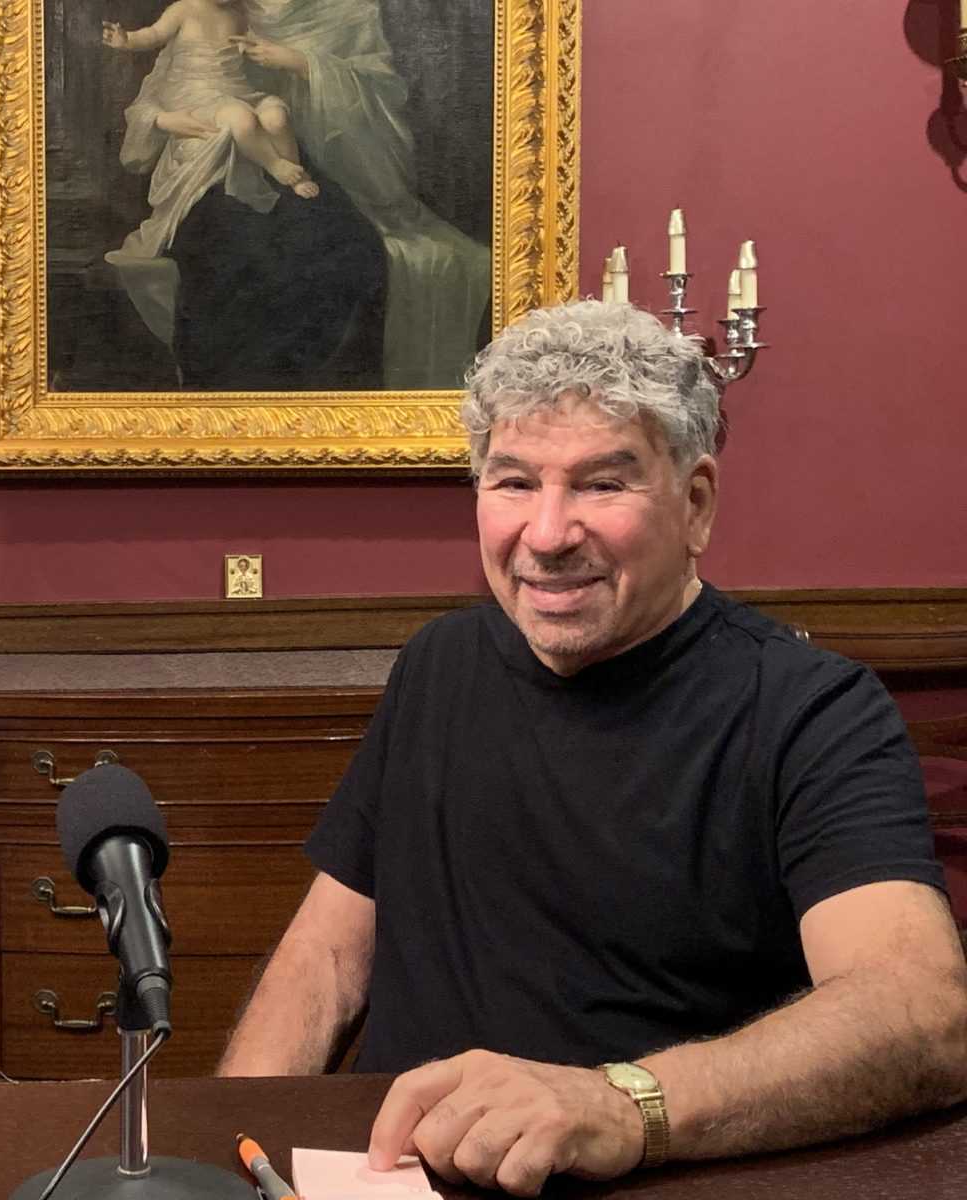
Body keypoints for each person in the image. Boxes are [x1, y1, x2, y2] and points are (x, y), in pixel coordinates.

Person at [217, 300, 967, 1195]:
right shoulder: (438, 664)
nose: (546, 535)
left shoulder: (812, 711)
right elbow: (329, 959)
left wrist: (621, 1107)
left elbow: (921, 1014)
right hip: (393, 1174)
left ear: (696, 504)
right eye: (513, 482)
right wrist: (232, 1144)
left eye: (602, 485)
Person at [107, 0, 490, 391]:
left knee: (351, 250)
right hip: (215, 165)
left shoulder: (346, 10)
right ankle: (232, 401)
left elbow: (381, 90)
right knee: (237, 259)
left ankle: (331, 405)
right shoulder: (216, 8)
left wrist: (301, 62)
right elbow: (167, 83)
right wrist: (163, 119)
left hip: (295, 158)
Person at [101, 0, 322, 236]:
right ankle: (275, 164)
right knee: (241, 118)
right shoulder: (184, 9)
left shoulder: (239, 13)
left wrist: (252, 47)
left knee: (276, 115)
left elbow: (253, 43)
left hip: (235, 89)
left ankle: (298, 175)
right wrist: (127, 39)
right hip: (194, 94)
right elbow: (154, 34)